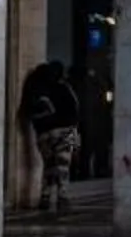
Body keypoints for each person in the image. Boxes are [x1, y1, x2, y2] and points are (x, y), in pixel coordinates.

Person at [17, 61, 82, 216]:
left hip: (43, 133)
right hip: (66, 131)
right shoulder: (64, 88)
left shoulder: (35, 89)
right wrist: (76, 142)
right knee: (64, 167)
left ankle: (45, 196)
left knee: (49, 165)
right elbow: (75, 113)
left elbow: (28, 113)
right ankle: (63, 198)